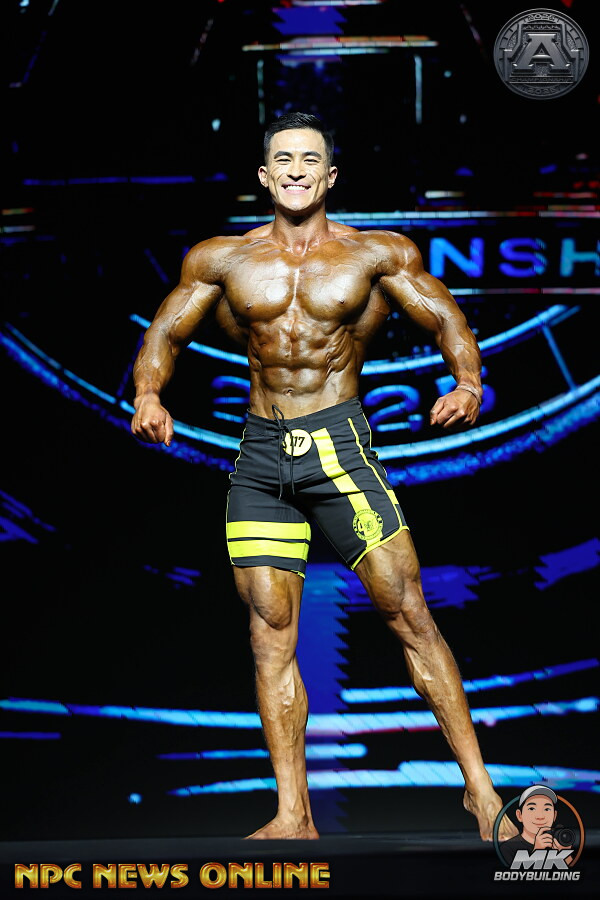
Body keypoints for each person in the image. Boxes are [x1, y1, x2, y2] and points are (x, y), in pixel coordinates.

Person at [131, 112, 517, 842]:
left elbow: (446, 319)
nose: (297, 171)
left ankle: (480, 790)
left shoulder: (375, 254)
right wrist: (149, 394)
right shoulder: (221, 259)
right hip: (260, 459)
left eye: (310, 160)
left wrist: (467, 382)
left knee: (409, 613)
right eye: (284, 160)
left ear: (330, 175)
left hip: (338, 450)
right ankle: (293, 815)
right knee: (270, 634)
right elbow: (165, 332)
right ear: (265, 175)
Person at [500, 785, 574, 866]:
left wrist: (565, 854)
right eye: (532, 808)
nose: (540, 816)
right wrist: (537, 851)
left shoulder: (558, 843)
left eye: (547, 809)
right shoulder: (508, 848)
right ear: (519, 815)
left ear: (554, 816)